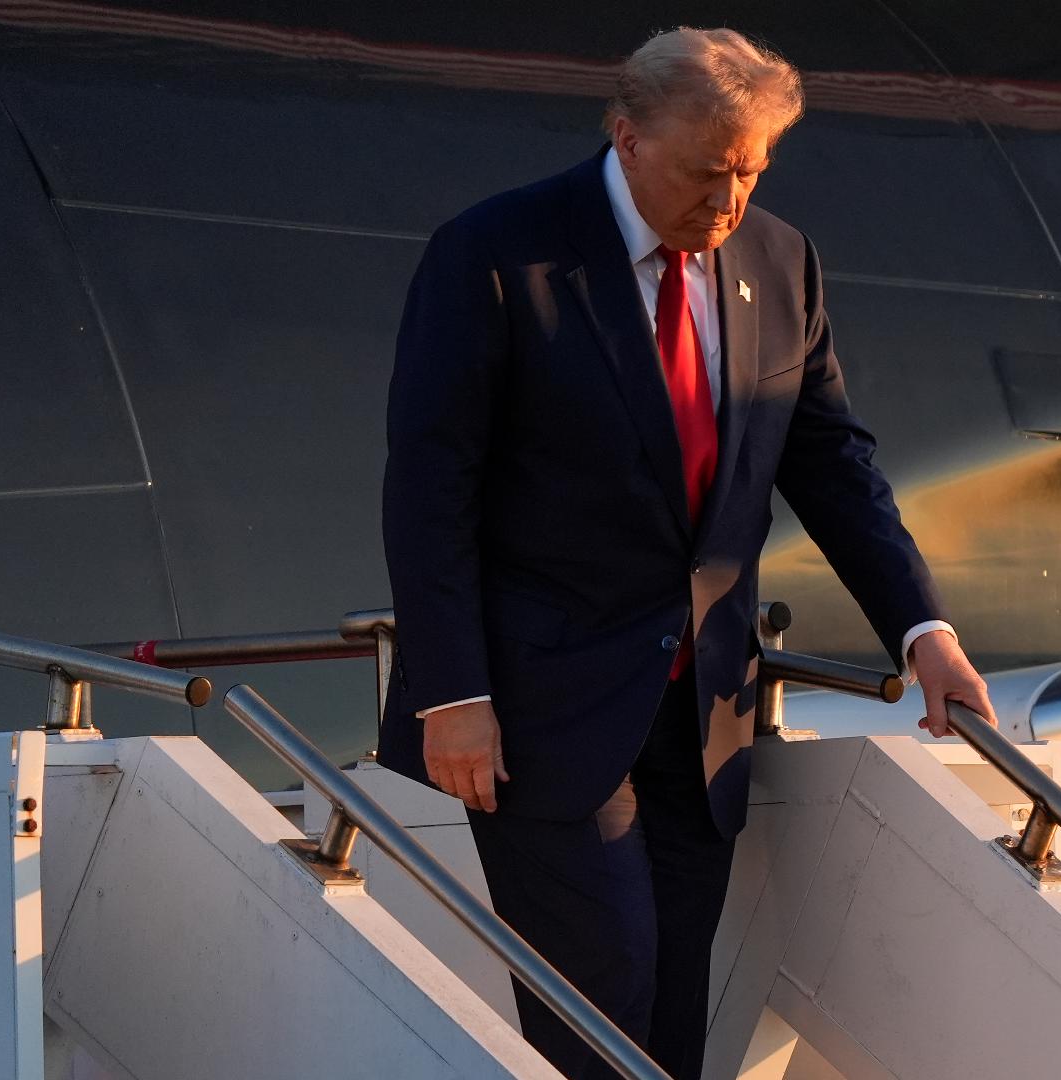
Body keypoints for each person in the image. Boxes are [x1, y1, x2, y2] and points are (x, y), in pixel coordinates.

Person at [376, 26, 997, 1080]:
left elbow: (831, 462)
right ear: (625, 137)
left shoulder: (777, 259)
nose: (729, 202)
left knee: (671, 997)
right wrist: (450, 690)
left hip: (703, 707)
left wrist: (921, 629)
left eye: (751, 172)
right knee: (602, 984)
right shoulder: (499, 253)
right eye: (707, 173)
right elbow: (431, 485)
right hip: (540, 705)